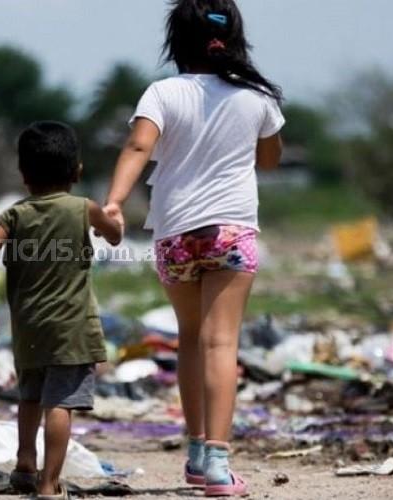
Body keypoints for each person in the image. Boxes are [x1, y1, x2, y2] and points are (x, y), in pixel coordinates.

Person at [103, 0, 285, 496]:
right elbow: (269, 160)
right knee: (221, 343)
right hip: (230, 231)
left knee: (190, 338)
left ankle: (197, 450)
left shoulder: (162, 92)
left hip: (174, 233)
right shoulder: (257, 97)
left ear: (176, 41)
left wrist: (115, 203)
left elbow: (138, 148)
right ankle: (220, 468)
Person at [0, 121, 122, 499]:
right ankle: (50, 484)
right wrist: (110, 224)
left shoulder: (15, 215)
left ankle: (25, 463)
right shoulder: (83, 209)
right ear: (77, 171)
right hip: (72, 328)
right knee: (61, 403)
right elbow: (115, 234)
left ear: (23, 175)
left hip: (29, 326)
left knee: (30, 396)